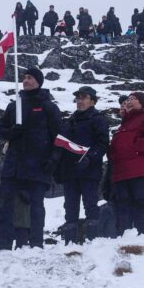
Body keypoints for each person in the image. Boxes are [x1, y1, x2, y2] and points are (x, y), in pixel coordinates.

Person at [0, 66, 63, 250]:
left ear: (38, 81)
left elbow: (59, 137)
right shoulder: (14, 105)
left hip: (38, 164)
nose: (25, 80)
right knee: (6, 204)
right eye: (24, 77)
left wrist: (53, 160)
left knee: (36, 205)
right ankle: (3, 243)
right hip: (13, 163)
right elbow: (1, 130)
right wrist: (11, 132)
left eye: (30, 77)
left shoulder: (49, 107)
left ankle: (36, 243)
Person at [55, 86, 109, 243]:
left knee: (91, 205)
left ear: (92, 101)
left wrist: (90, 158)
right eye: (78, 98)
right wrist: (58, 169)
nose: (80, 101)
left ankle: (94, 242)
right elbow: (62, 146)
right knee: (70, 208)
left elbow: (103, 143)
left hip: (89, 171)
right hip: (70, 172)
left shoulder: (98, 119)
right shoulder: (70, 121)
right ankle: (69, 243)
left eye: (84, 97)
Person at [108, 91, 144, 235]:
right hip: (122, 171)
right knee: (123, 204)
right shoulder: (124, 124)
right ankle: (124, 236)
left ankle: (143, 235)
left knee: (140, 202)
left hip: (139, 169)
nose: (129, 101)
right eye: (128, 99)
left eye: (133, 99)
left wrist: (134, 147)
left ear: (142, 103)